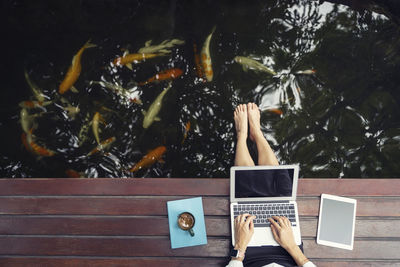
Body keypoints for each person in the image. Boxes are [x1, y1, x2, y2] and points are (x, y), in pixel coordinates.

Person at [226, 103, 316, 267]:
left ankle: (242, 134)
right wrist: (292, 246)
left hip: (250, 256)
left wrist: (239, 249)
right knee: (280, 190)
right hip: (289, 254)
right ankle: (257, 134)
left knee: (247, 191)